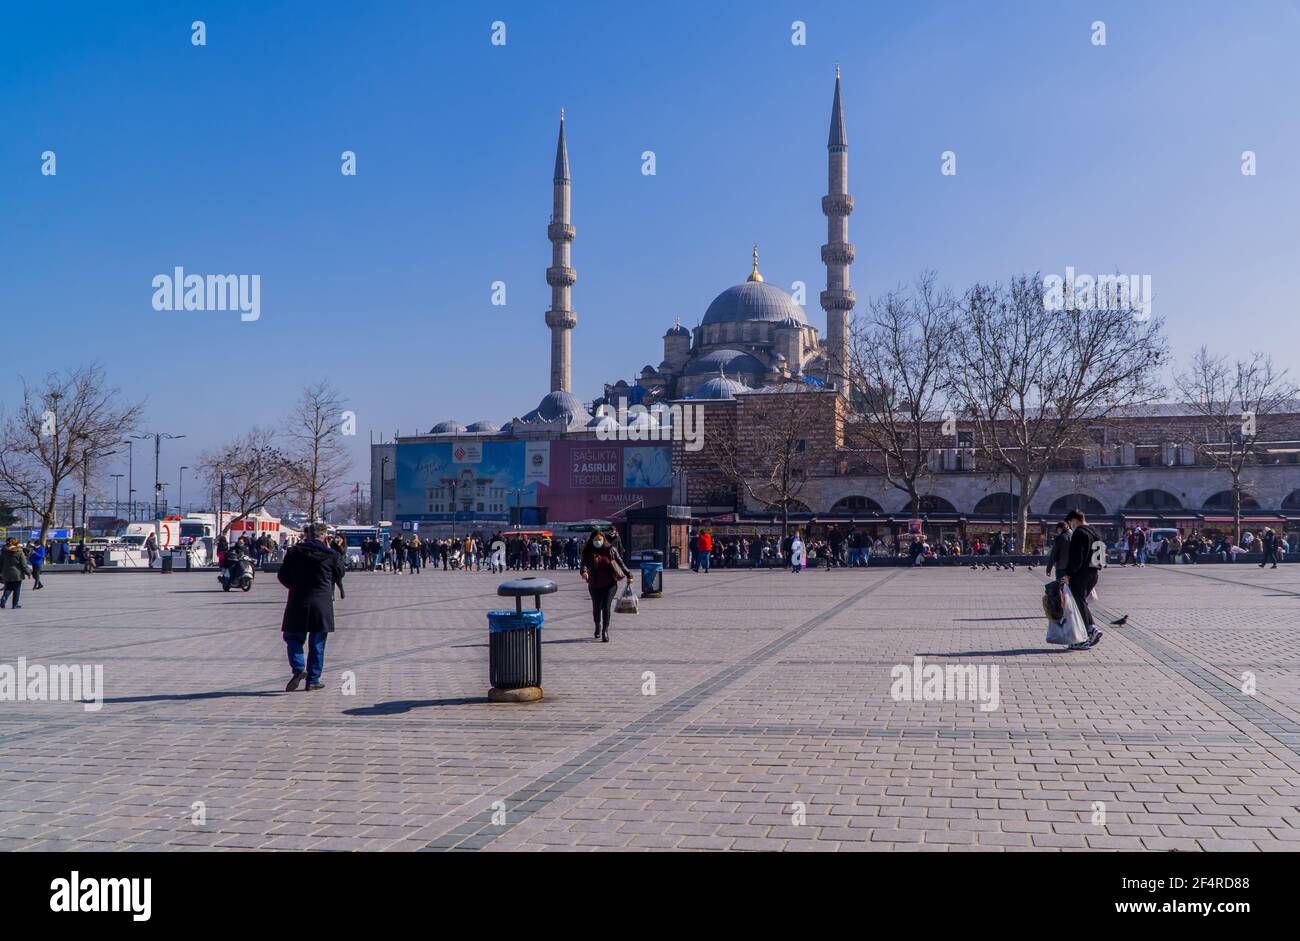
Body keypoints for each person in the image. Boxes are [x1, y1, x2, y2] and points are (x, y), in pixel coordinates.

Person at [277, 523, 345, 691]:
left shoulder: (294, 552)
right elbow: (340, 573)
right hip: (321, 603)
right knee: (317, 643)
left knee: (293, 638)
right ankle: (313, 679)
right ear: (325, 536)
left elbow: (282, 575)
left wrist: (295, 586)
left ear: (307, 535)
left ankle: (299, 668)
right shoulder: (331, 555)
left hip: (298, 600)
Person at [1060, 510, 1103, 650]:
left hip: (1081, 574)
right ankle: (1092, 629)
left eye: (1070, 523)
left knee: (1079, 604)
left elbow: (1076, 557)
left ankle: (1083, 638)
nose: (1070, 526)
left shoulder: (1079, 532)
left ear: (1074, 520)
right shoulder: (1096, 532)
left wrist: (1068, 574)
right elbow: (1101, 554)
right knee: (1081, 603)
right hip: (1094, 573)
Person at [580, 531, 630, 643]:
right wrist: (584, 572)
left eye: (600, 539)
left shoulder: (610, 550)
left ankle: (605, 630)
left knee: (606, 606)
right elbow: (583, 564)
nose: (598, 542)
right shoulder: (588, 551)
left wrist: (628, 574)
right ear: (592, 541)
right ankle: (597, 625)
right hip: (594, 584)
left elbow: (620, 562)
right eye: (596, 540)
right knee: (596, 607)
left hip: (610, 584)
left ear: (603, 539)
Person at [1, 538, 32, 609]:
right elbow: (24, 564)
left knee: (8, 588)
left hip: (6, 573)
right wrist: (28, 573)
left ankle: (3, 600)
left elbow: (1, 562)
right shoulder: (19, 552)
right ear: (16, 544)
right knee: (16, 589)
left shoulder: (4, 551)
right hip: (17, 573)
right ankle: (15, 604)